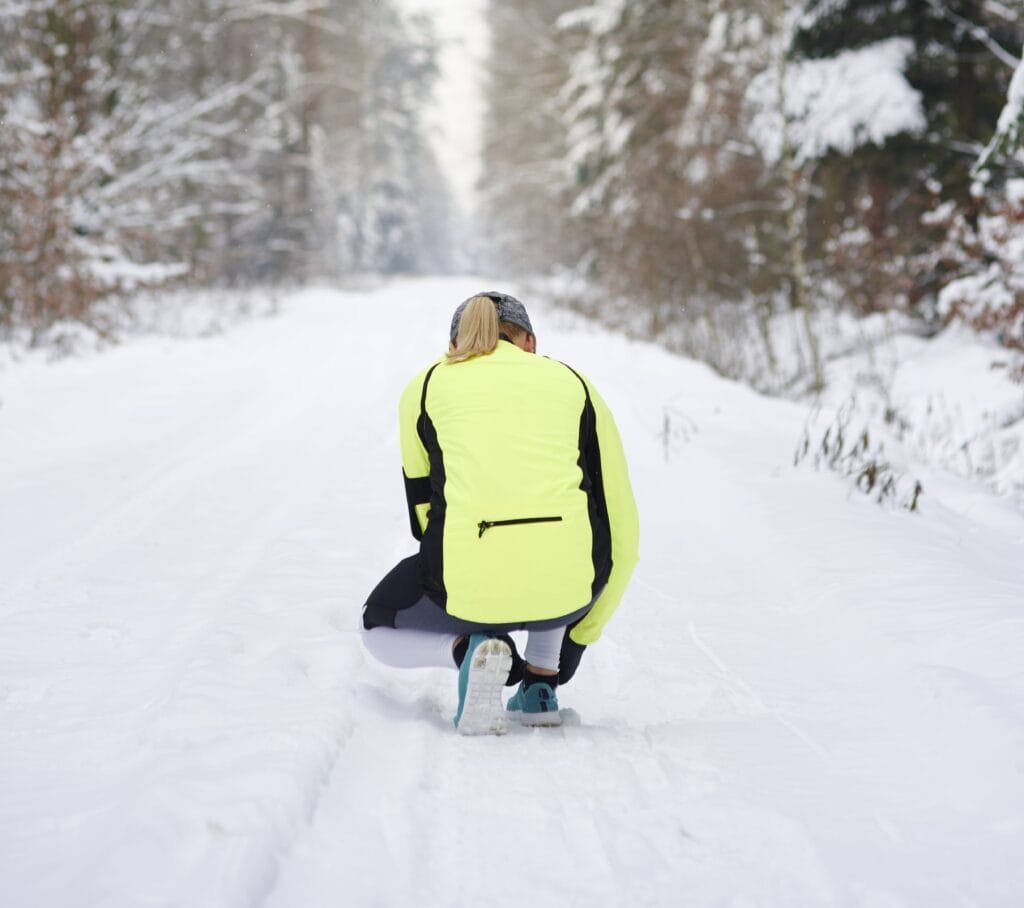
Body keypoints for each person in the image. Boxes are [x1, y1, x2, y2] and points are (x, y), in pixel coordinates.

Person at [361, 291, 639, 735]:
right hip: (567, 590)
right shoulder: (576, 384)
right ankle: (541, 684)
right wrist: (580, 639)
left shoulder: (427, 385)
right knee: (561, 536)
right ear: (530, 342)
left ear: (455, 344)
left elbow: (424, 517)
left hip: (468, 583)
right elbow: (623, 532)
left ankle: (465, 650)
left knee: (374, 624)